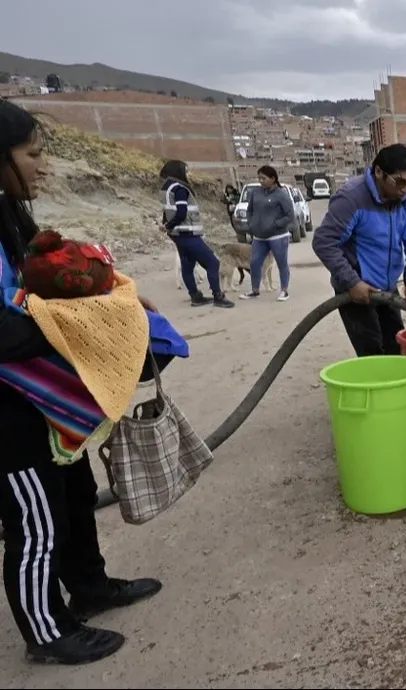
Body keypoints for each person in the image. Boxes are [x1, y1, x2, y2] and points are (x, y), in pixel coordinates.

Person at [0, 100, 169, 664]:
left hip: (35, 392)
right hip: (8, 408)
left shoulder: (8, 214)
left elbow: (45, 288)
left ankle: (89, 587)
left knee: (71, 493)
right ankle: (46, 632)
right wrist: (90, 323)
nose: (43, 166)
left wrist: (108, 299)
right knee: (34, 519)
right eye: (33, 154)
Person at [312, 143, 406, 357]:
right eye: (399, 182)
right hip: (358, 290)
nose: (405, 190)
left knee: (396, 347)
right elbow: (324, 242)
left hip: (387, 288)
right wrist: (352, 282)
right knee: (371, 352)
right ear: (379, 172)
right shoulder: (352, 198)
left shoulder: (405, 200)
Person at [159, 160, 234, 308]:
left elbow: (167, 211)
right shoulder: (180, 188)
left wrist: (167, 226)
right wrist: (168, 225)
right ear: (178, 172)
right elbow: (181, 213)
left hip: (178, 235)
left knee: (187, 264)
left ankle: (195, 296)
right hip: (188, 233)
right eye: (186, 171)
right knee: (213, 262)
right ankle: (218, 296)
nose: (189, 174)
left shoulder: (166, 189)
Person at [242, 165, 293, 302]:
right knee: (254, 262)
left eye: (263, 178)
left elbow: (290, 216)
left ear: (273, 178)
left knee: (282, 263)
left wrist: (275, 224)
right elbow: (250, 210)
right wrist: (251, 223)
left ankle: (284, 290)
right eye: (259, 178)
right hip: (259, 237)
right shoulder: (256, 193)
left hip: (278, 236)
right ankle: (255, 290)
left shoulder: (281, 195)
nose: (261, 181)